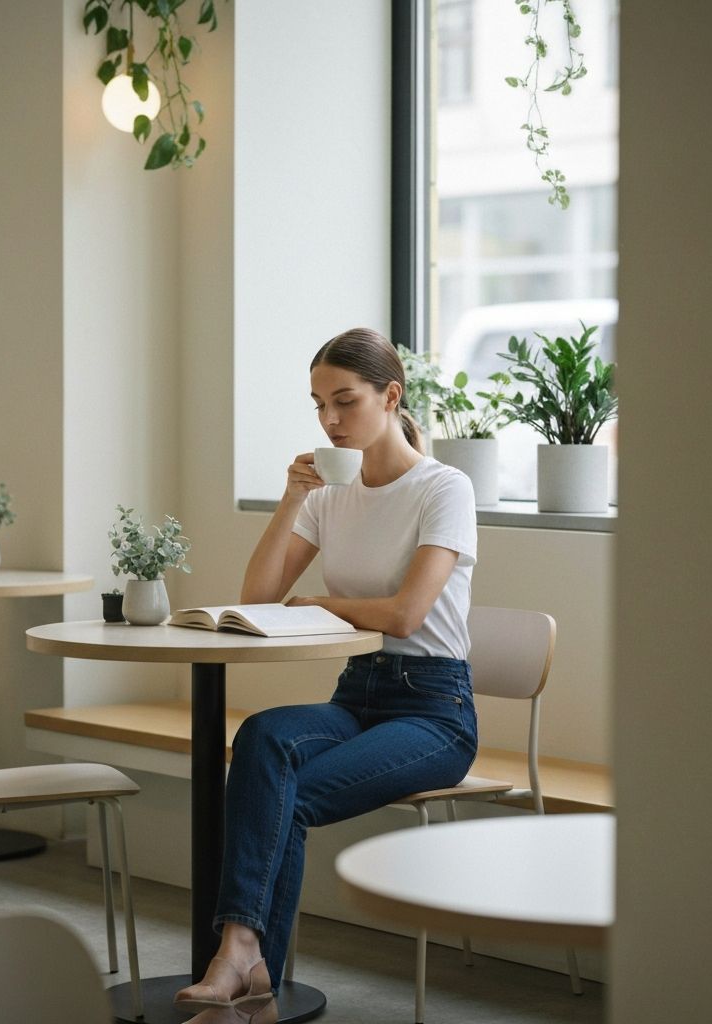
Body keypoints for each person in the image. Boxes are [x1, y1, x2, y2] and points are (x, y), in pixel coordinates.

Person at [173, 327, 478, 1024]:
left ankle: (243, 965)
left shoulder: (444, 488)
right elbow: (254, 600)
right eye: (318, 405)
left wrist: (321, 604)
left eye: (344, 402)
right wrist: (290, 498)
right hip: (357, 693)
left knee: (292, 796)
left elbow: (405, 615)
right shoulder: (329, 490)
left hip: (434, 711)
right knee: (264, 736)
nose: (330, 421)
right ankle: (245, 961)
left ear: (390, 396)